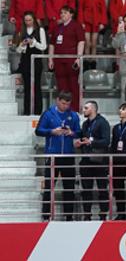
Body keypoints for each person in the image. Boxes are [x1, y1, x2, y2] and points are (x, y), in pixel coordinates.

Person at [36, 91, 81, 221]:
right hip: (52, 156)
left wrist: (71, 133)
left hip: (68, 155)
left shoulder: (73, 115)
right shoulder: (48, 114)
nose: (65, 106)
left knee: (69, 187)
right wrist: (52, 131)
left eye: (67, 104)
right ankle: (46, 216)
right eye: (63, 103)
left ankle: (69, 216)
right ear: (57, 101)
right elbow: (38, 130)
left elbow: (79, 132)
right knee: (49, 187)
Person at [76, 100, 111, 220]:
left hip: (100, 161)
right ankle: (87, 214)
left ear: (93, 109)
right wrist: (79, 143)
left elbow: (106, 141)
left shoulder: (103, 122)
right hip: (86, 160)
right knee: (86, 190)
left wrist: (91, 142)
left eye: (86, 108)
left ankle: (103, 214)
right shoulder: (85, 124)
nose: (83, 110)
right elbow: (83, 139)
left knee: (102, 189)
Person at [48, 6, 84, 106]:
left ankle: (75, 108)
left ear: (71, 14)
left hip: (71, 59)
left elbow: (81, 42)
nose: (62, 15)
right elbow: (52, 44)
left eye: (65, 13)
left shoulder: (76, 26)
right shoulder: (57, 27)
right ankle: (63, 108)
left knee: (73, 85)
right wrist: (50, 59)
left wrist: (79, 57)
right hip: (59, 60)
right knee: (61, 86)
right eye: (61, 13)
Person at [14, 11, 46, 115]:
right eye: (26, 20)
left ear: (34, 20)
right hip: (25, 60)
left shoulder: (40, 30)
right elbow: (18, 50)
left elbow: (43, 47)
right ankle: (27, 111)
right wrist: (22, 45)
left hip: (36, 60)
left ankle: (37, 110)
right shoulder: (21, 30)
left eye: (30, 20)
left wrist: (34, 42)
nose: (28, 22)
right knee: (27, 87)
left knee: (36, 86)